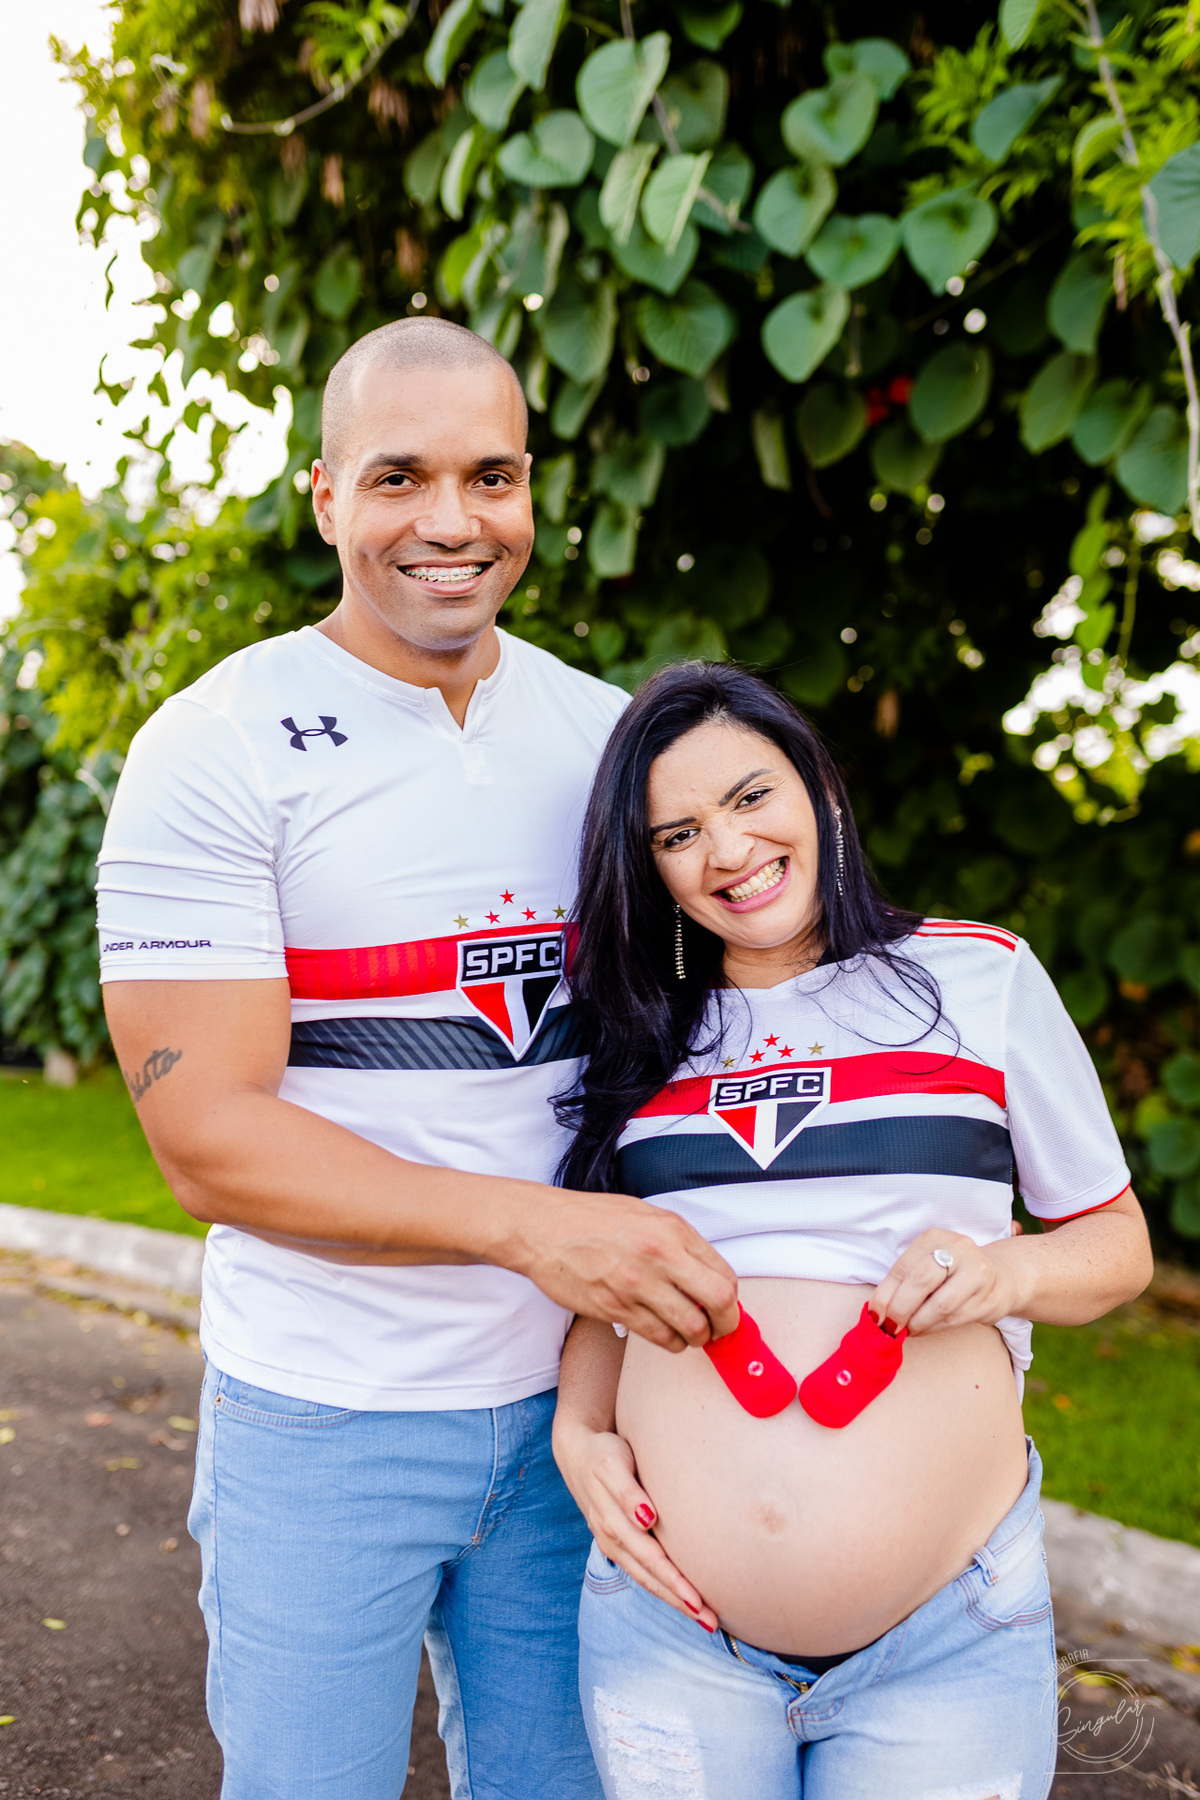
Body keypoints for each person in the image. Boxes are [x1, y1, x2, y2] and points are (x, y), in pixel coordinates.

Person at [96, 319, 737, 1800]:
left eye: (491, 477)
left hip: (584, 1420)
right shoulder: (216, 746)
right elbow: (208, 1140)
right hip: (323, 1420)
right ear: (326, 496)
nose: (453, 521)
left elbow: (696, 1042)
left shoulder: (609, 738)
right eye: (401, 478)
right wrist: (538, 1232)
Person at [552, 661, 1153, 1800]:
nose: (728, 850)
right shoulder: (633, 1033)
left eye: (750, 797)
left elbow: (1116, 1246)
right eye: (678, 833)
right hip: (673, 1636)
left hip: (946, 1643)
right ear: (649, 865)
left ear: (819, 787)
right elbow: (605, 1291)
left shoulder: (977, 977)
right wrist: (578, 1430)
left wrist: (1002, 1272)